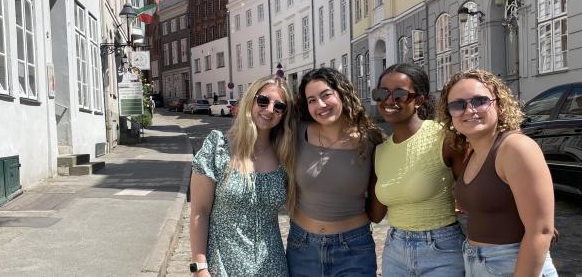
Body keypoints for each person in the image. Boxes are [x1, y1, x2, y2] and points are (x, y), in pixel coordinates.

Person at [438, 69, 557, 277]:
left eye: (480, 101)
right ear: (450, 115)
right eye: (458, 105)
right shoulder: (473, 151)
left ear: (499, 105)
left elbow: (541, 232)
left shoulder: (515, 148)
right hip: (476, 262)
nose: (469, 110)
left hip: (513, 263)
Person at [189, 75, 295, 277]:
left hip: (271, 266)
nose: (270, 110)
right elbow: (199, 211)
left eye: (279, 106)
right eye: (263, 100)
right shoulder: (218, 148)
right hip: (223, 264)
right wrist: (199, 267)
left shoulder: (284, 156)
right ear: (250, 100)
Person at [369, 63, 467, 276]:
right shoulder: (380, 151)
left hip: (442, 249)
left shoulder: (444, 138)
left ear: (419, 100)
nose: (389, 100)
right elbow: (375, 215)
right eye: (381, 93)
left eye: (400, 94)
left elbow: (475, 189)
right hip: (395, 250)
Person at [285, 67, 383, 277]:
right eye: (311, 100)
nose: (320, 105)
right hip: (302, 247)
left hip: (354, 249)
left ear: (342, 93)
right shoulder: (296, 132)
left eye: (326, 95)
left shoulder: (370, 139)